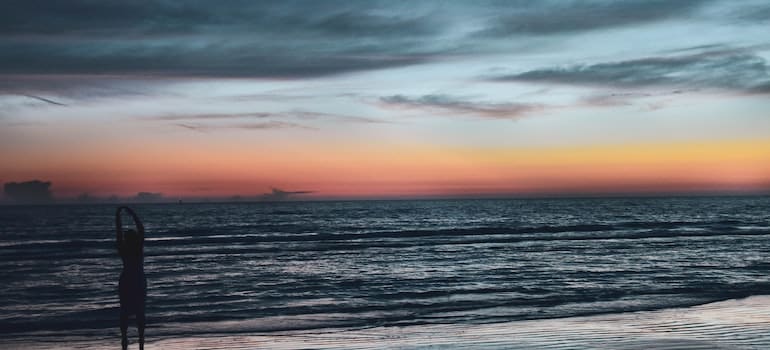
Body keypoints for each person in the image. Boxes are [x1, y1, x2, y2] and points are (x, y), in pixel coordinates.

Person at [116, 206, 146, 350]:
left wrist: (118, 216)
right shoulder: (138, 249)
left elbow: (118, 233)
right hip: (138, 281)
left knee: (125, 311)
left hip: (127, 281)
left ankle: (125, 337)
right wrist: (133, 214)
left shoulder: (124, 249)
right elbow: (142, 230)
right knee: (139, 310)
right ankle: (140, 338)